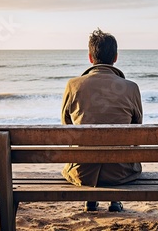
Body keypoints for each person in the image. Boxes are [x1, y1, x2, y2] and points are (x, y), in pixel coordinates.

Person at [61, 28, 143, 212]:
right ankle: (115, 201)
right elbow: (137, 131)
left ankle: (91, 199)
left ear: (90, 57)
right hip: (121, 172)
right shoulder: (131, 88)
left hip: (83, 171)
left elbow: (66, 125)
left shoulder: (73, 86)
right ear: (115, 57)